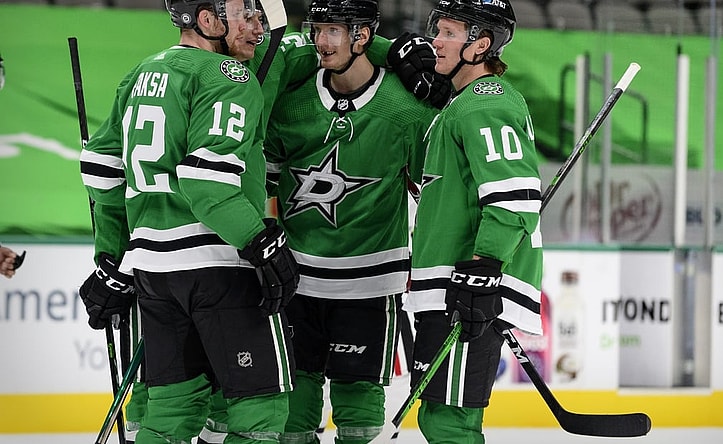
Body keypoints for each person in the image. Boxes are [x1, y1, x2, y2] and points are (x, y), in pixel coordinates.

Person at [78, 1, 299, 443]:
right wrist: (260, 241)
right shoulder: (228, 75)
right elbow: (207, 185)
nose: (258, 28)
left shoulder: (141, 73)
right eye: (246, 16)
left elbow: (100, 171)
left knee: (170, 412)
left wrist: (112, 260)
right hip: (219, 263)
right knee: (259, 409)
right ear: (206, 20)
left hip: (154, 276)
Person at [263, 1, 437, 442]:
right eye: (318, 29)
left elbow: (433, 192)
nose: (321, 41)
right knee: (291, 415)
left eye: (334, 31)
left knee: (359, 420)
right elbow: (264, 182)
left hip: (370, 285)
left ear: (362, 37)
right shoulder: (293, 103)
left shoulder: (408, 114)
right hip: (296, 281)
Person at [404, 0, 544, 442]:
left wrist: (484, 267)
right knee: (440, 417)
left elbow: (515, 197)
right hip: (454, 282)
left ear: (480, 45)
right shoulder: (459, 105)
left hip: (468, 282)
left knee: (450, 422)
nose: (435, 42)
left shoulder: (486, 102)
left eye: (448, 33)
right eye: (437, 30)